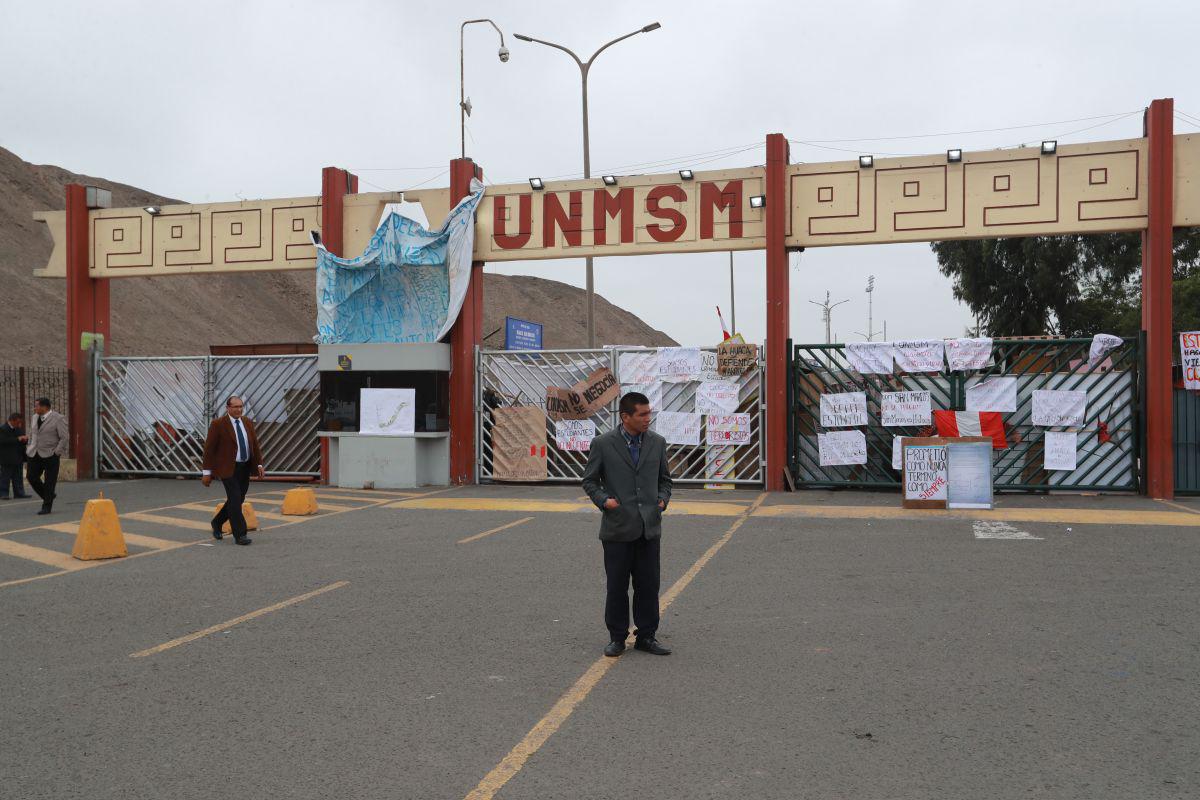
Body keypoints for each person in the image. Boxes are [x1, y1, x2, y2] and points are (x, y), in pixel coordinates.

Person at [581, 391, 674, 657]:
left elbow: (665, 480)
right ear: (625, 417)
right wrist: (605, 501)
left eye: (649, 413)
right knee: (617, 586)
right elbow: (589, 481)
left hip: (649, 528)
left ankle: (647, 635)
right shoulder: (603, 443)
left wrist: (661, 501)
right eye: (642, 414)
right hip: (617, 528)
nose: (648, 419)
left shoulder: (657, 443)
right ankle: (617, 637)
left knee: (648, 585)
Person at [201, 395, 264, 545]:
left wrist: (259, 465)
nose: (239, 409)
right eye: (235, 407)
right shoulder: (218, 424)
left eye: (241, 406)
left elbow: (254, 444)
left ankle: (217, 522)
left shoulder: (247, 422)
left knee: (237, 499)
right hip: (228, 468)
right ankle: (240, 535)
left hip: (245, 467)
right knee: (235, 499)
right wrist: (206, 473)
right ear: (227, 408)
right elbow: (209, 449)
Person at [25, 398, 68, 515]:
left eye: (37, 406)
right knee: (31, 477)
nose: (35, 408)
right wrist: (29, 446)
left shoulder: (58, 418)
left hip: (51, 454)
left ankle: (46, 506)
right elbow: (32, 433)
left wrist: (57, 452)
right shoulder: (35, 417)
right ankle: (48, 495)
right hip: (34, 453)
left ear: (45, 407)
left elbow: (64, 437)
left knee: (50, 481)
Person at [0, 412, 30, 499]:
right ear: (12, 421)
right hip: (7, 457)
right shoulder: (3, 429)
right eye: (18, 422)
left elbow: (22, 440)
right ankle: (3, 493)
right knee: (5, 476)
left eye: (20, 422)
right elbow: (3, 441)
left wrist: (25, 440)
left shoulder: (18, 429)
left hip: (18, 456)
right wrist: (17, 439)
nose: (19, 424)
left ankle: (19, 493)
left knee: (18, 476)